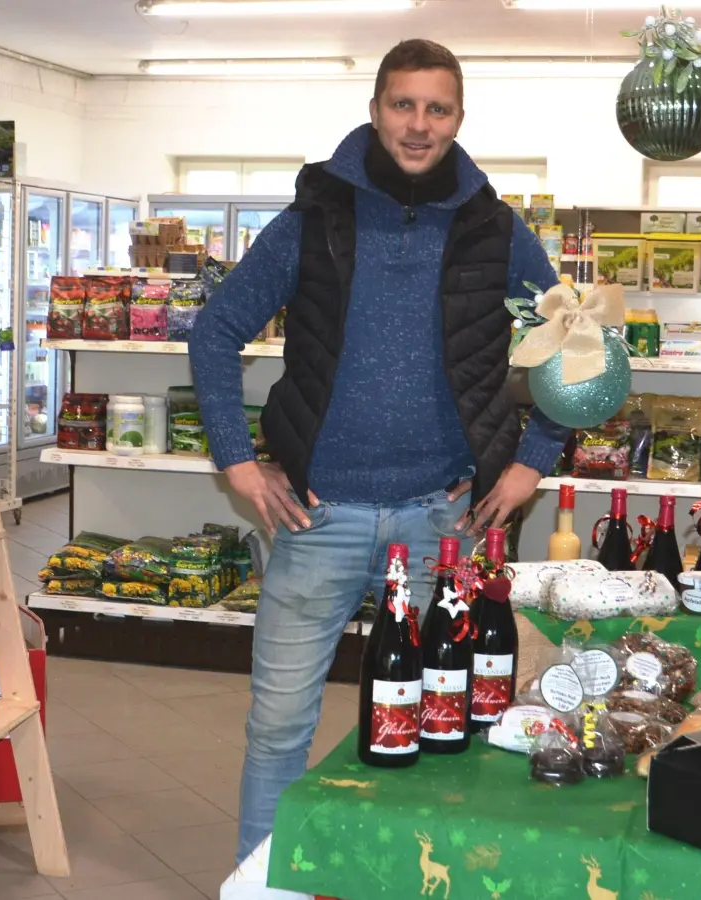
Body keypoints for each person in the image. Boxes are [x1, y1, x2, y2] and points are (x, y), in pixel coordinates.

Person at [189, 39, 571, 865]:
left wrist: (532, 459)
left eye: (438, 109)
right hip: (317, 517)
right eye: (404, 104)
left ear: (459, 120)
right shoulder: (314, 220)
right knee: (280, 726)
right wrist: (237, 460)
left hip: (442, 522)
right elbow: (215, 329)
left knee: (443, 726)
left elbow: (573, 340)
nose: (419, 124)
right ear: (375, 110)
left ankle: (414, 876)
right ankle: (267, 884)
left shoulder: (495, 231)